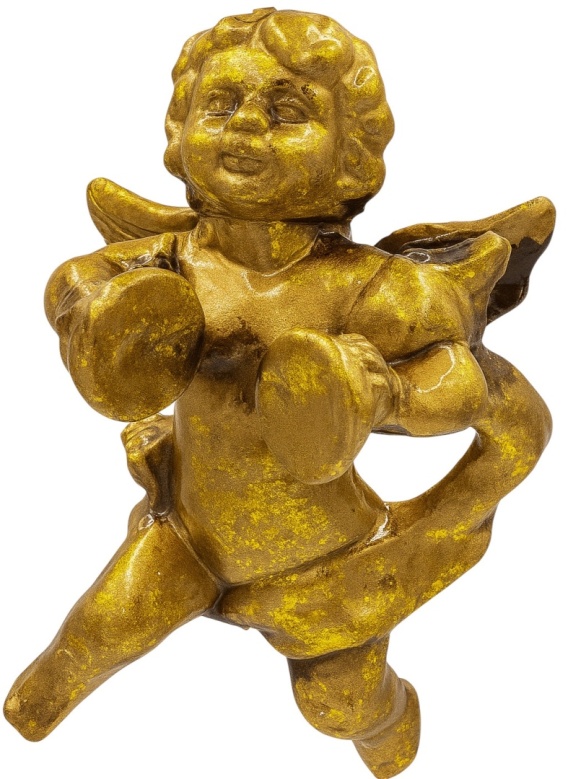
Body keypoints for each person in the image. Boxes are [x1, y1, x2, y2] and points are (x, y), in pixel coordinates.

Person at [4, 9, 552, 779]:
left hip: (327, 562)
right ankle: (29, 716)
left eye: (287, 110)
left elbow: (461, 380)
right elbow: (74, 278)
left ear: (349, 154)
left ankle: (393, 724)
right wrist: (89, 315)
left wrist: (386, 395)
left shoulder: (368, 287)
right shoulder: (173, 262)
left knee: (342, 706)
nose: (245, 126)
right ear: (180, 129)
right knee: (89, 641)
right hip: (188, 534)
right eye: (221, 104)